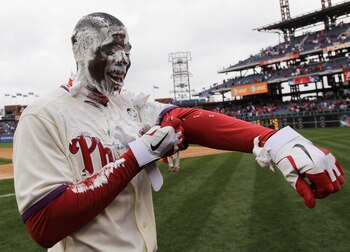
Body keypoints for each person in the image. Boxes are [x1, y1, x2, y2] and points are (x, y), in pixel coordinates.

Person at [13, 12, 344, 252]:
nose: (123, 59)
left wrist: (273, 139)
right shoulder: (44, 114)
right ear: (81, 51)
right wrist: (136, 158)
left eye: (127, 50)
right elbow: (44, 223)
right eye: (110, 49)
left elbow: (185, 118)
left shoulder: (127, 102)